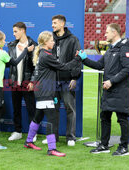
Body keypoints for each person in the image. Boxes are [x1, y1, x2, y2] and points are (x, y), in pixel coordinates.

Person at [78, 23, 129, 156]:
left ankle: (124, 147)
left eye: (107, 32)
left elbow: (128, 69)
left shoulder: (125, 48)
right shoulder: (110, 50)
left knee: (122, 119)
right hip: (109, 90)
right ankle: (104, 145)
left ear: (115, 32)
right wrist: (84, 59)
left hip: (120, 90)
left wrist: (111, 81)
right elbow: (99, 65)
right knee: (104, 117)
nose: (105, 34)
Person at [24, 31, 82, 157]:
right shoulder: (46, 55)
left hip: (41, 91)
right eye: (51, 41)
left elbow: (38, 73)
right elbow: (64, 67)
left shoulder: (43, 54)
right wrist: (78, 58)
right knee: (52, 120)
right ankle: (51, 149)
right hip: (46, 91)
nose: (54, 42)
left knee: (38, 117)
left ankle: (28, 141)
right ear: (45, 42)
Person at [44, 15, 81, 146]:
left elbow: (78, 59)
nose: (52, 25)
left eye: (55, 23)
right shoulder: (49, 39)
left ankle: (70, 137)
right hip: (52, 81)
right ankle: (53, 137)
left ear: (62, 24)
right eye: (52, 23)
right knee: (53, 110)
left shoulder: (73, 40)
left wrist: (74, 77)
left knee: (70, 108)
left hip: (66, 81)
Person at [7, 22, 37, 141]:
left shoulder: (33, 45)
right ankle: (17, 131)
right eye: (13, 31)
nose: (13, 34)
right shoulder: (11, 45)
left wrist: (32, 81)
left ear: (23, 30)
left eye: (15, 31)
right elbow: (10, 62)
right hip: (15, 81)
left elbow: (36, 66)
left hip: (27, 82)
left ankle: (33, 133)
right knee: (16, 108)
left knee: (31, 108)